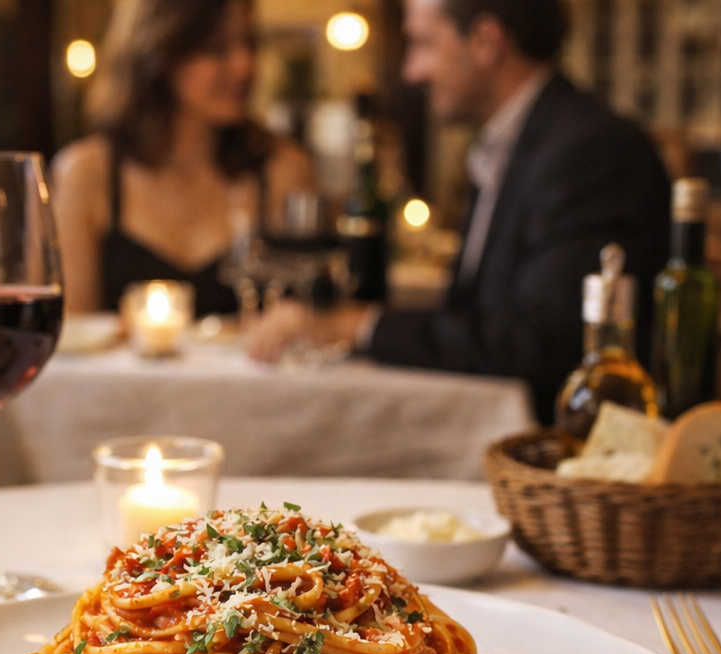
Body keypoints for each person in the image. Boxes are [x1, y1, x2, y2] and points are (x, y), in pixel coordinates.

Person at [248, 0, 671, 425]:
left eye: (423, 44)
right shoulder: (516, 143)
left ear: (486, 42)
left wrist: (356, 325)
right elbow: (480, 314)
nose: (413, 71)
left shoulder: (591, 151)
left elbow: (540, 343)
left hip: (556, 453)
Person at [52, 0, 312, 318]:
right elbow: (74, 340)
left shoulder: (282, 170)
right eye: (216, 49)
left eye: (249, 43)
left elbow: (309, 323)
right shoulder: (87, 174)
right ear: (159, 53)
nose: (245, 65)